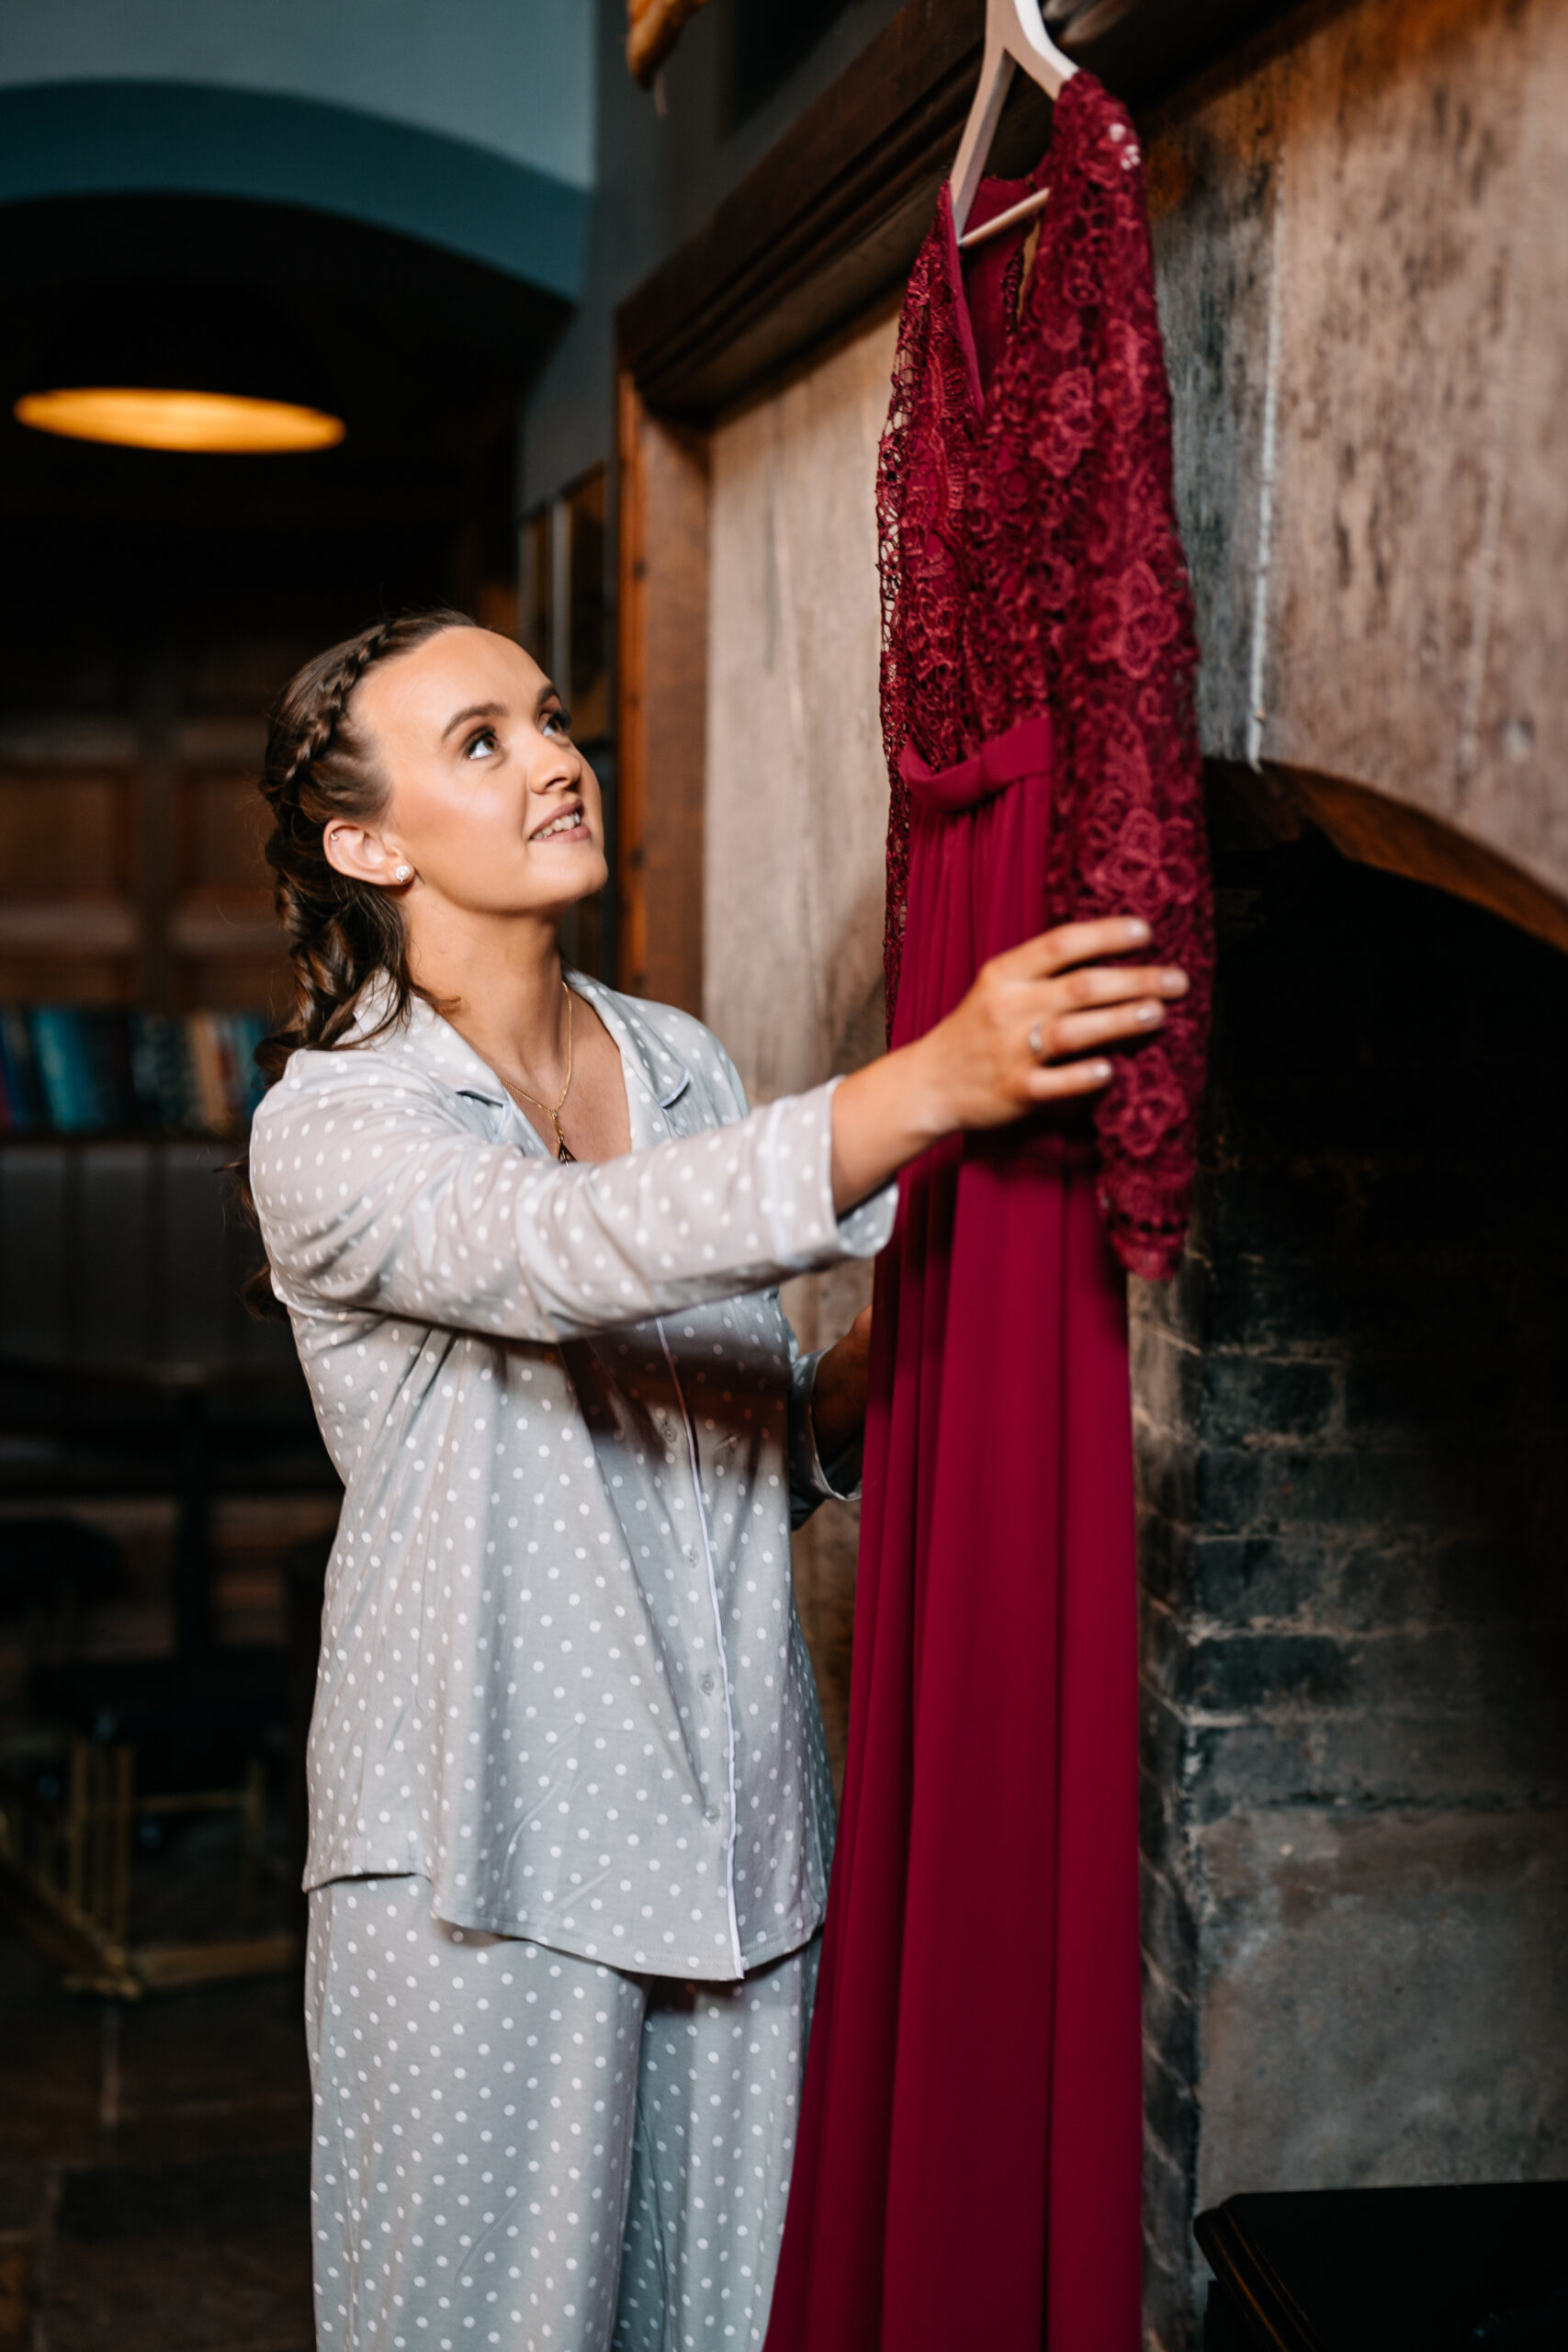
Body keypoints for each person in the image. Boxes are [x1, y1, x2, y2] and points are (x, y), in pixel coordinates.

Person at [244, 608, 1188, 2352]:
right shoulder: (332, 1123)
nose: (551, 758)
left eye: (547, 717)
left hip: (747, 1852)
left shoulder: (678, 1060)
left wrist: (905, 1378)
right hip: (486, 1867)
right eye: (479, 743)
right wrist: (916, 1091)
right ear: (362, 844)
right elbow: (563, 1250)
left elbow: (723, 1422)